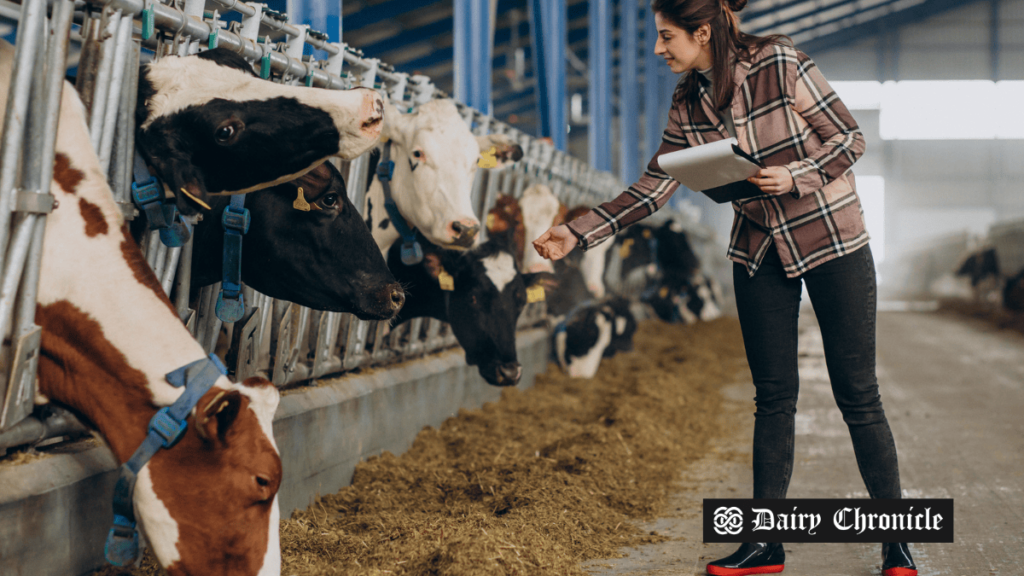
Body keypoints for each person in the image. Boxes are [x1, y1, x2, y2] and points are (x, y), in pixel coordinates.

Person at [532, 0, 917, 575]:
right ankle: (766, 543)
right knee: (772, 397)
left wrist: (796, 175)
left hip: (832, 239)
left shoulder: (780, 62)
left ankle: (896, 544)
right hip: (758, 248)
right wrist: (578, 231)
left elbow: (848, 138)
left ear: (703, 31)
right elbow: (654, 186)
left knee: (857, 394)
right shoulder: (687, 101)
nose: (659, 49)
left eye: (667, 37)